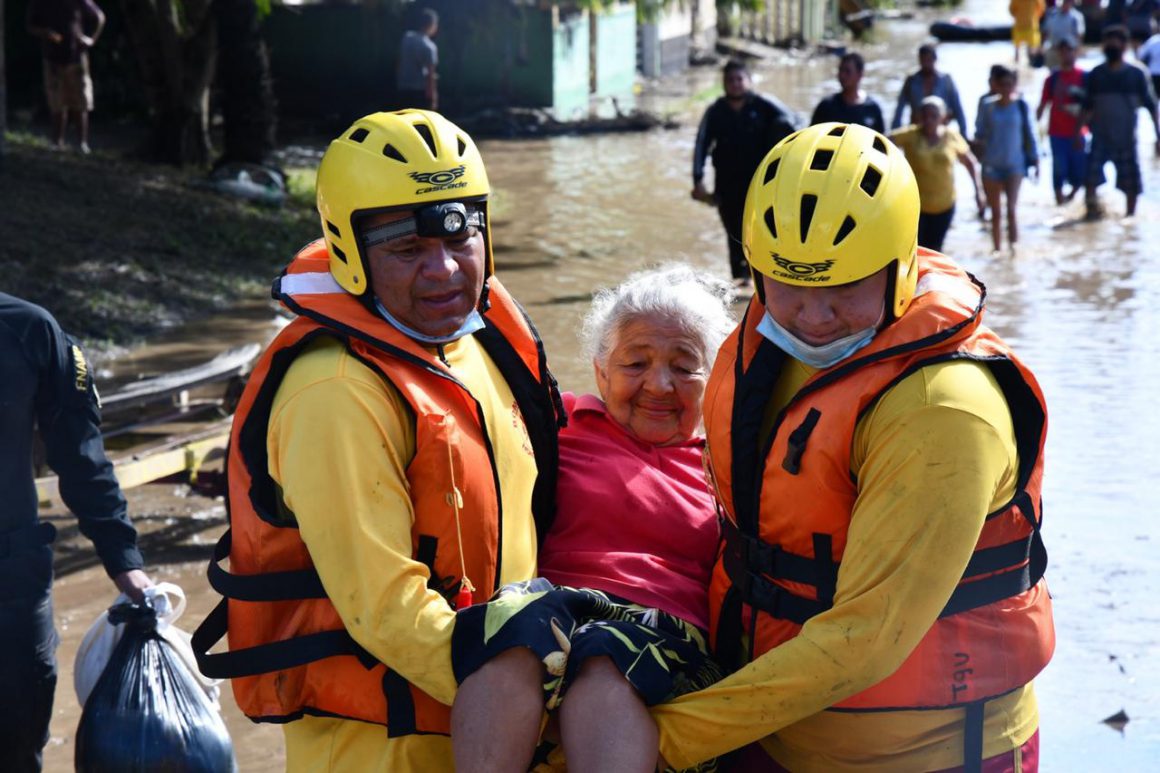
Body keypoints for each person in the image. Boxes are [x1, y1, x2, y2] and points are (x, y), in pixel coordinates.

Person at [647, 122, 1054, 773]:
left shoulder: (942, 410)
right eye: (789, 282)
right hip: (769, 728)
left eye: (843, 286)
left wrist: (655, 742)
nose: (813, 316)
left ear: (900, 267)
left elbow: (867, 637)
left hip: (925, 754)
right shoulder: (769, 337)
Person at [190, 110, 564, 770]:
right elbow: (386, 610)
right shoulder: (335, 390)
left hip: (489, 725)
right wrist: (544, 697)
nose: (443, 269)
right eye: (407, 249)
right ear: (351, 253)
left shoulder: (476, 344)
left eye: (461, 236)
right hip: (384, 745)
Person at [448, 266, 734, 773]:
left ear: (714, 383)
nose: (658, 384)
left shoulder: (729, 467)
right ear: (601, 372)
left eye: (684, 367)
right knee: (508, 623)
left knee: (605, 654)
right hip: (551, 607)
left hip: (666, 634)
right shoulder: (557, 428)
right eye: (635, 363)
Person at [0, 292, 152, 772]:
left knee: (17, 746)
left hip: (12, 583)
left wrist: (124, 561)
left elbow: (81, 455)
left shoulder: (29, 330)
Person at [693, 60, 802, 284]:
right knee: (733, 231)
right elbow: (701, 144)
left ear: (749, 81)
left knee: (761, 230)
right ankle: (739, 278)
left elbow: (796, 125)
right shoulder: (716, 111)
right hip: (727, 183)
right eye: (730, 80)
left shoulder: (765, 105)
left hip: (760, 182)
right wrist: (698, 179)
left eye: (739, 79)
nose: (735, 84)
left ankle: (762, 277)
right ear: (723, 83)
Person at [1079, 24, 1160, 218]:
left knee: (1131, 186)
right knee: (1090, 180)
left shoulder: (1137, 74)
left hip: (1126, 139)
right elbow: (1087, 107)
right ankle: (1092, 214)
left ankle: (1129, 219)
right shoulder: (1096, 74)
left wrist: (1158, 136)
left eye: (1114, 45)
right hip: (1100, 137)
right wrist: (1076, 133)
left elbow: (1151, 107)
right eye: (1107, 45)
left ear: (1124, 47)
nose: (1110, 48)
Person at [890, 96, 984, 252]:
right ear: (919, 117)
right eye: (925, 116)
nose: (929, 120)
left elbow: (971, 163)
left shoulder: (951, 136)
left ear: (943, 117)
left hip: (945, 205)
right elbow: (881, 143)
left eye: (934, 116)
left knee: (935, 249)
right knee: (916, 249)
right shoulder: (910, 134)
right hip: (916, 206)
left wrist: (978, 192)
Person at [25, 0, 105, 153]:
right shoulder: (39, 2)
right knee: (57, 102)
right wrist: (46, 32)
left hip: (76, 57)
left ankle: (82, 143)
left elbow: (99, 16)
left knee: (81, 101)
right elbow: (30, 26)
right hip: (52, 58)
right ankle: (57, 142)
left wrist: (91, 39)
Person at [975, 66, 1039, 253]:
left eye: (1010, 84)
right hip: (991, 165)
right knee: (995, 212)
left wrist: (1035, 159)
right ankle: (996, 251)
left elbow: (1030, 133)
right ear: (996, 85)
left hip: (1015, 165)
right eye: (1002, 84)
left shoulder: (1021, 105)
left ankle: (1013, 250)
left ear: (1015, 85)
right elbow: (979, 132)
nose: (1006, 88)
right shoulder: (987, 106)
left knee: (1011, 209)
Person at [1037, 38, 1089, 204]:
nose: (1066, 54)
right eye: (1063, 51)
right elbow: (1042, 105)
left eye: (1069, 51)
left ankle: (1071, 198)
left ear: (1076, 52)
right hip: (1056, 133)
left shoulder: (1085, 77)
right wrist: (1032, 132)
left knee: (1080, 172)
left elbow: (1091, 107)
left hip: (1079, 133)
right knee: (1058, 170)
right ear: (1058, 54)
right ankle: (1059, 203)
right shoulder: (1052, 79)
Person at [891, 43, 968, 138]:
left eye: (928, 60)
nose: (926, 64)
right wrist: (894, 134)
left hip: (941, 133)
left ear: (935, 60)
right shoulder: (911, 81)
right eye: (923, 60)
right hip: (917, 132)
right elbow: (899, 110)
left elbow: (958, 109)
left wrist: (964, 134)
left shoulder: (946, 80)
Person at [810, 52, 886, 134]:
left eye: (847, 71)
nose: (842, 75)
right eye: (840, 70)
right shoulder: (826, 106)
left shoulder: (872, 108)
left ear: (860, 74)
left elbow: (881, 139)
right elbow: (811, 136)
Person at [396, 9, 439, 110]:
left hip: (403, 87)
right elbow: (430, 75)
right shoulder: (429, 46)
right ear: (432, 25)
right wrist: (433, 98)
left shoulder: (406, 37)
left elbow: (399, 60)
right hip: (419, 91)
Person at [1042, 0, 1086, 69]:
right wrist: (1043, 46)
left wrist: (1078, 50)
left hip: (1069, 51)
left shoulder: (1076, 16)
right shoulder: (1052, 14)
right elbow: (1046, 31)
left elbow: (1079, 35)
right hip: (1054, 49)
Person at [1135, 18, 1160, 102]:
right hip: (1154, 73)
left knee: (1155, 97)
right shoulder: (1153, 40)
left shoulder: (1153, 41)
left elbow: (1141, 54)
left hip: (1153, 73)